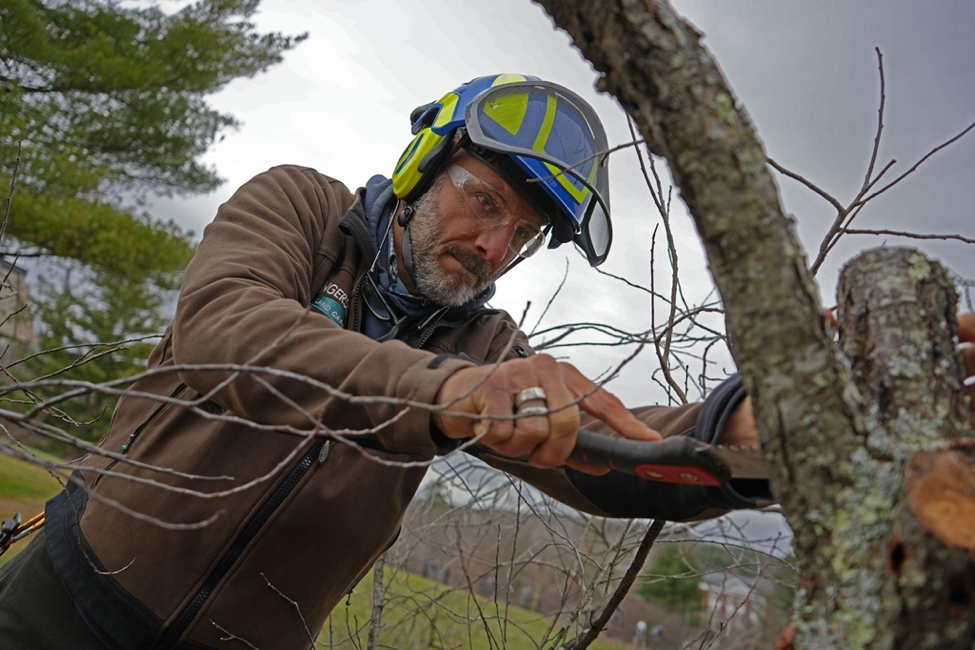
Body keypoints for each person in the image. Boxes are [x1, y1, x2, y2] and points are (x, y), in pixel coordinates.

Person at [0, 74, 961, 650]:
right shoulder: (299, 209)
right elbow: (227, 331)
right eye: (485, 199)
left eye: (525, 233)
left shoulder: (486, 345)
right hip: (65, 593)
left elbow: (613, 451)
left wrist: (774, 420)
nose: (497, 245)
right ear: (425, 163)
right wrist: (450, 393)